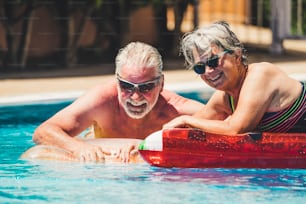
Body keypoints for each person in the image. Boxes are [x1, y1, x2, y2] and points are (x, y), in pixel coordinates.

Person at [21, 41, 204, 163]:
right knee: (35, 155)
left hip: (146, 169)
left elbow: (230, 128)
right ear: (117, 82)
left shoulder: (179, 110)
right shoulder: (102, 100)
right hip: (101, 163)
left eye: (146, 87)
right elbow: (44, 132)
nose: (135, 96)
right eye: (126, 86)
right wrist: (78, 148)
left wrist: (148, 146)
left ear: (161, 83)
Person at [163, 21, 305, 134]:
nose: (208, 71)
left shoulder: (260, 74)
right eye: (199, 67)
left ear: (237, 56)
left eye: (213, 61)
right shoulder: (225, 98)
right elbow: (184, 129)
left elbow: (235, 129)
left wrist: (186, 119)